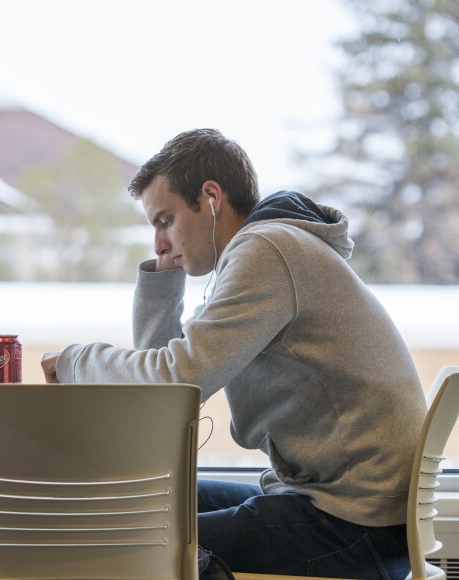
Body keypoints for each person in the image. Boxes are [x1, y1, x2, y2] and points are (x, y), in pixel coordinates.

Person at [37, 128, 427, 578]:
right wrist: (164, 278)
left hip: (351, 527)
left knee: (127, 542)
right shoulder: (262, 251)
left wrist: (74, 361)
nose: (159, 242)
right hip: (341, 509)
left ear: (209, 198)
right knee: (138, 500)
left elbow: (176, 377)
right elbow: (165, 395)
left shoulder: (267, 251)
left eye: (165, 221)